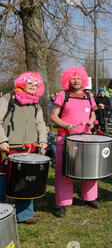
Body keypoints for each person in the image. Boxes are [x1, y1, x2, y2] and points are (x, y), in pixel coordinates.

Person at [50, 66, 99, 218]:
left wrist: (91, 121)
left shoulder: (89, 96)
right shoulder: (62, 95)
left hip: (86, 138)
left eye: (78, 77)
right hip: (65, 139)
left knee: (89, 169)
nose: (76, 80)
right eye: (73, 78)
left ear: (83, 80)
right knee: (64, 171)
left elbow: (93, 113)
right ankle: (62, 203)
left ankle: (90, 197)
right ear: (68, 80)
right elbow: (53, 116)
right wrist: (65, 125)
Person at [0, 71, 48, 224]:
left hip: (29, 150)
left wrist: (43, 141)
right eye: (30, 82)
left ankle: (25, 215)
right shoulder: (8, 99)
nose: (33, 86)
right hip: (8, 149)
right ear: (22, 82)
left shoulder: (36, 104)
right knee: (2, 182)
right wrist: (2, 140)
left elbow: (40, 124)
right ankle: (2, 213)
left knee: (27, 183)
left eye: (36, 84)